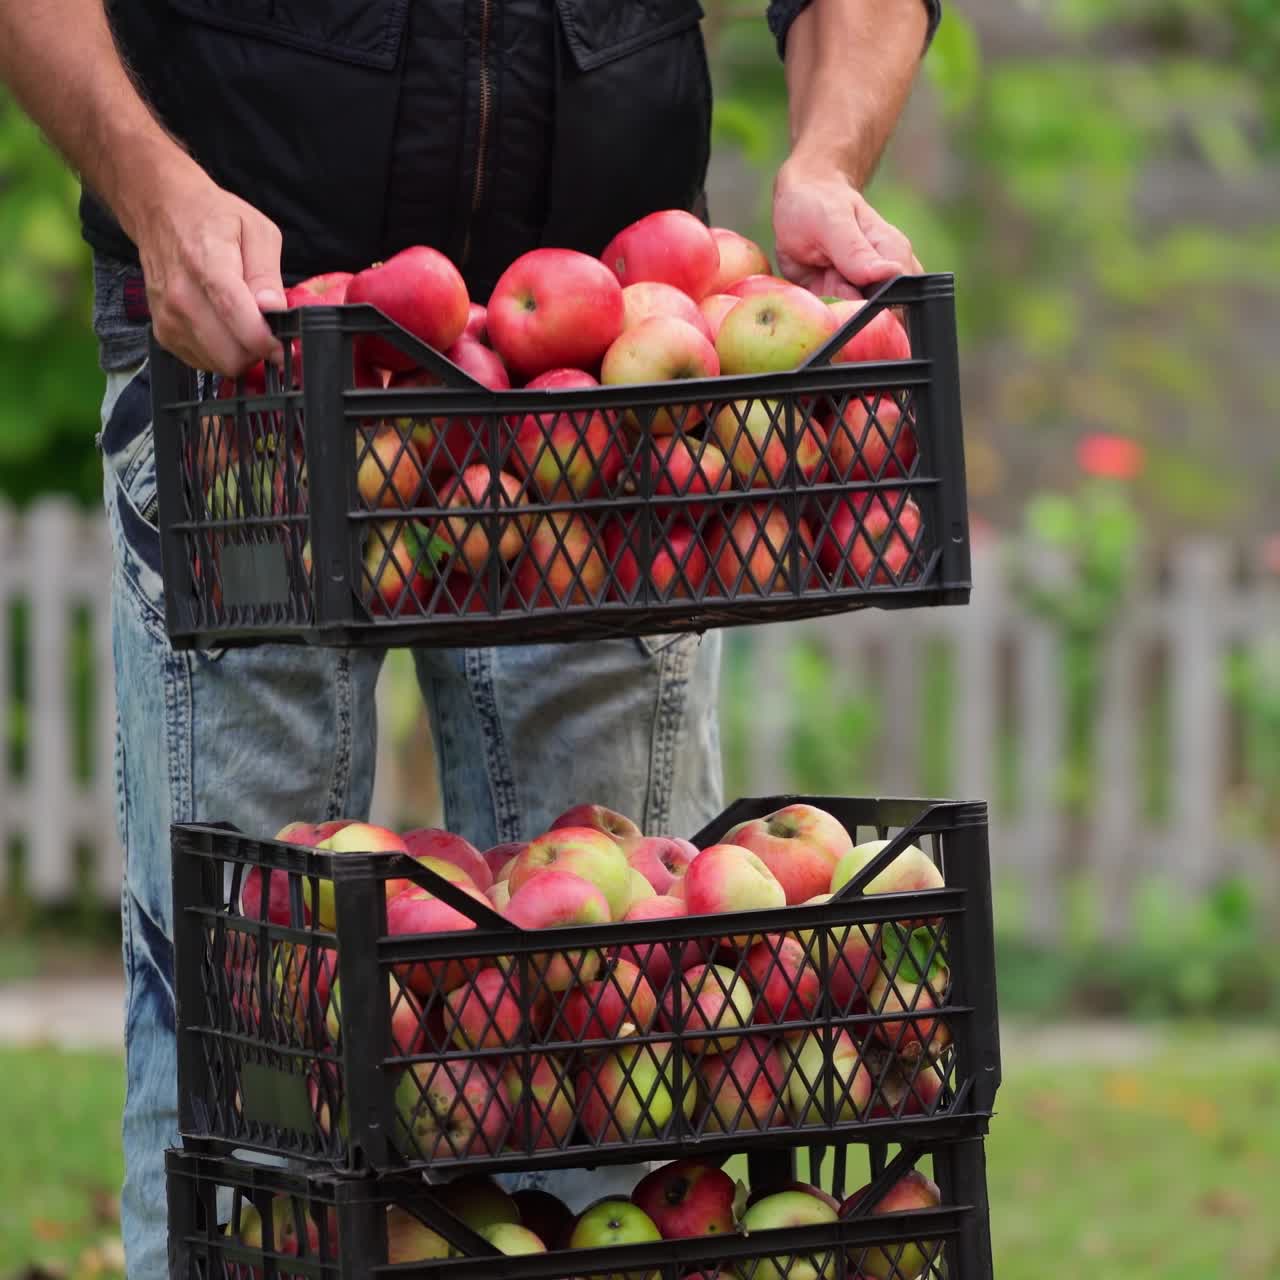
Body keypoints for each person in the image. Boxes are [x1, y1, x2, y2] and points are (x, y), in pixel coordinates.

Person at [0, 0, 939, 1273]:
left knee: (624, 1036)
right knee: (250, 1037)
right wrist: (150, 178)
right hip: (243, 357)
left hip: (608, 384)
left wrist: (825, 156)